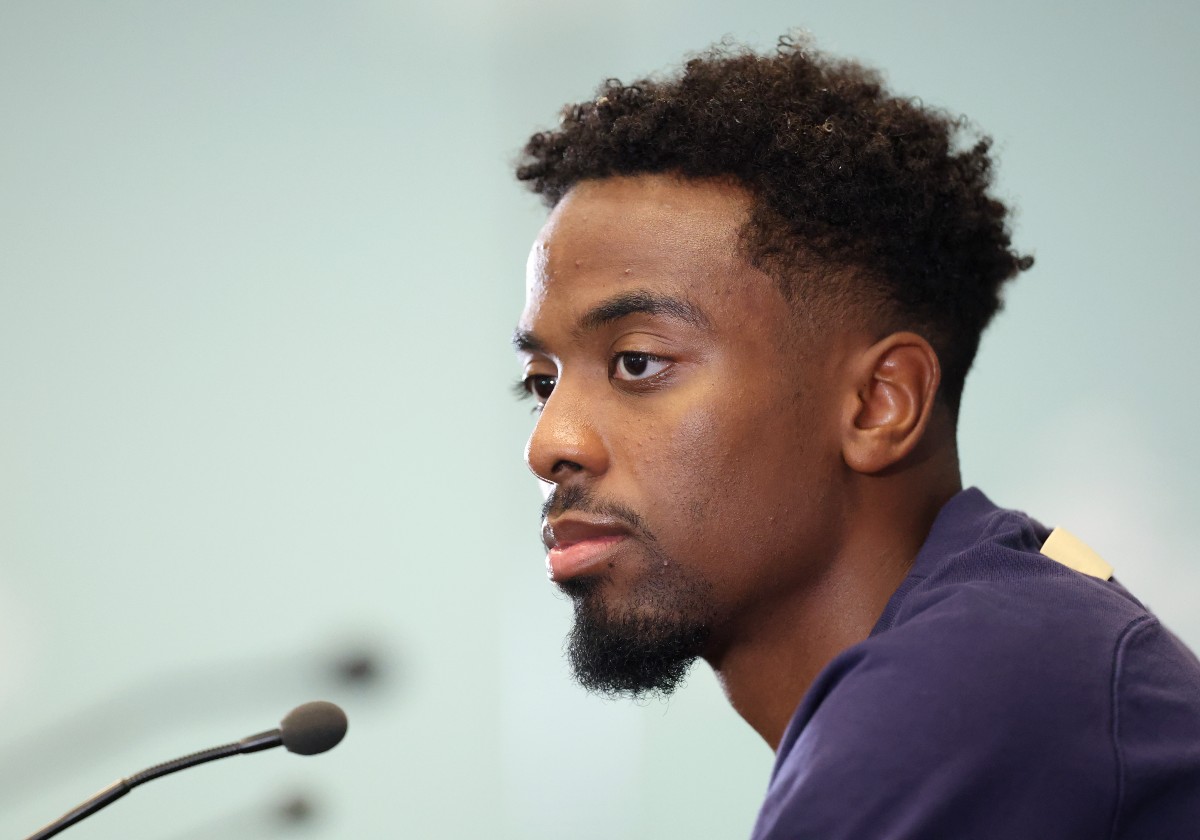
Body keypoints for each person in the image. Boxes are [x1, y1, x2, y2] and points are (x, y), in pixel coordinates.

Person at [509, 34, 1200, 838]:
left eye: (636, 363)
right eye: (541, 384)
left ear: (880, 403)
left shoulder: (969, 687)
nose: (549, 443)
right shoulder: (1004, 643)